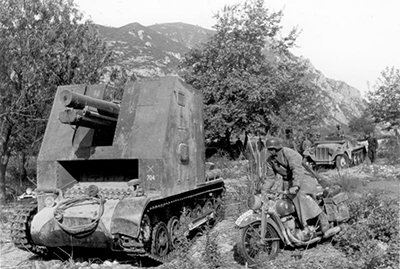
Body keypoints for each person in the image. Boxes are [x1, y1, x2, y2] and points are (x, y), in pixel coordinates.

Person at [261, 137, 329, 235]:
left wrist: (296, 186)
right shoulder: (270, 161)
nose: (271, 151)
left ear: (278, 148)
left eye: (273, 149)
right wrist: (264, 190)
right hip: (287, 182)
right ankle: (293, 228)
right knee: (284, 203)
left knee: (299, 196)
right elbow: (270, 177)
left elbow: (297, 170)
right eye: (269, 149)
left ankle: (321, 217)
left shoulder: (289, 153)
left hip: (303, 178)